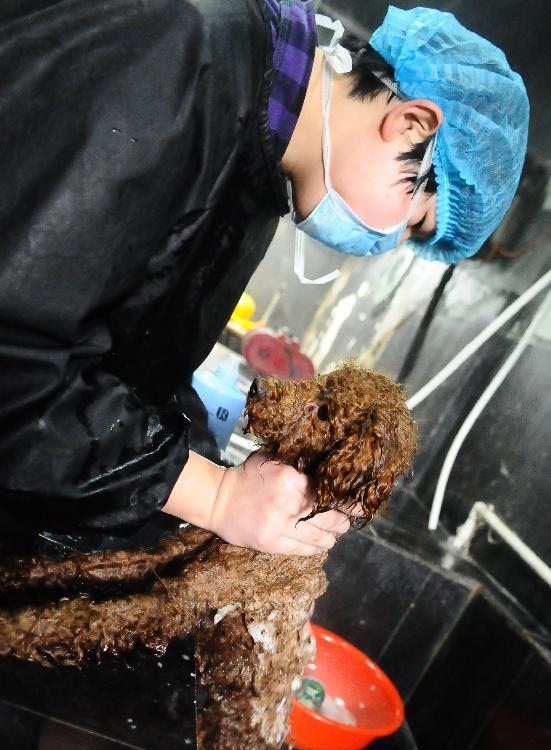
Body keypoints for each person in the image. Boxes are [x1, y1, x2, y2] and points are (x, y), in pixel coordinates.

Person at [0, 1, 529, 556]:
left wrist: (234, 487)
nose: (390, 242)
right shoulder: (182, 49)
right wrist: (214, 497)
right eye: (414, 222)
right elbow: (16, 358)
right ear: (410, 124)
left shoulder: (259, 176)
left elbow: (142, 371)